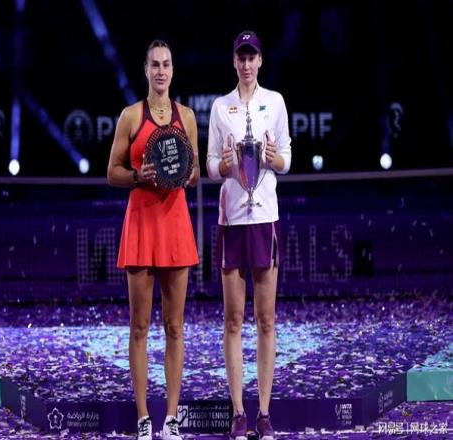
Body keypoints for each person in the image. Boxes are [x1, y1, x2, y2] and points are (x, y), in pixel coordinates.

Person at [107, 39, 199, 440]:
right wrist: (137, 176)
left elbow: (195, 172)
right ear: (146, 71)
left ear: (173, 70)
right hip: (142, 225)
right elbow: (112, 172)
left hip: (175, 226)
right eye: (155, 65)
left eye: (167, 64)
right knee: (140, 327)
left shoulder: (187, 116)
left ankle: (171, 419)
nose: (161, 71)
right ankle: (144, 418)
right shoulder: (130, 116)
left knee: (175, 327)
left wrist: (184, 174)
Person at [206, 30, 292, 440]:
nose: (245, 64)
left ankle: (264, 413)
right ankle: (239, 412)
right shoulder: (220, 107)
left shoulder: (275, 102)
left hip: (265, 219)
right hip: (232, 221)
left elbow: (286, 158)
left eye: (251, 57)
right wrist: (222, 166)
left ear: (260, 61)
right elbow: (211, 165)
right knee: (233, 320)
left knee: (267, 320)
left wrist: (277, 159)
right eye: (240, 57)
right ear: (234, 62)